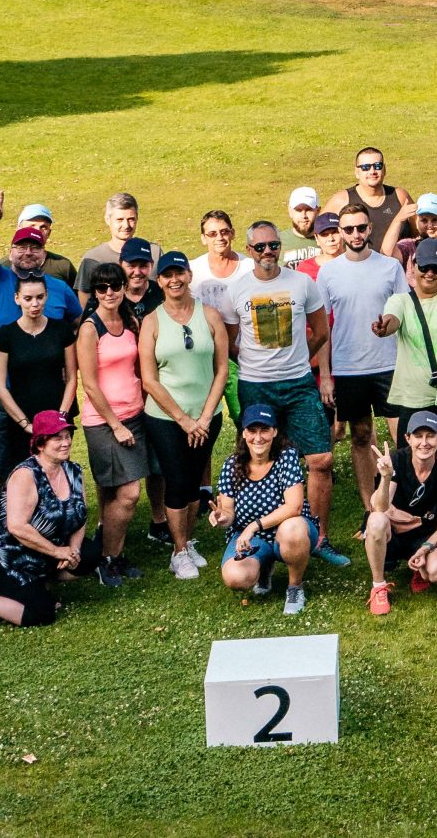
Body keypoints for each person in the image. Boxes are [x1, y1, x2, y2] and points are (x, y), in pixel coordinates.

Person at [0, 195, 84, 526]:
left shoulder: (59, 289)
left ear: (44, 253)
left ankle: (42, 529)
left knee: (44, 465)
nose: (28, 252)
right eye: (21, 246)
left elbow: (75, 324)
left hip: (42, 389)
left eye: (35, 247)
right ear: (12, 250)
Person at [218, 224, 337, 539]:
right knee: (260, 457)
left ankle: (318, 537)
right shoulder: (237, 290)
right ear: (249, 250)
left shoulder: (302, 283)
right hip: (256, 386)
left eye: (273, 245)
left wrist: (300, 358)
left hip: (298, 383)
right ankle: (261, 531)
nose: (268, 251)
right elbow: (229, 342)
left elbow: (321, 331)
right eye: (260, 247)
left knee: (321, 459)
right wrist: (252, 363)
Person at [317, 203, 407, 565]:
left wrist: (389, 326)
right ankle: (370, 509)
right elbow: (322, 327)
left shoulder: (390, 267)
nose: (355, 234)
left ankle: (400, 504)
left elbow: (403, 313)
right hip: (350, 367)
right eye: (348, 229)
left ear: (370, 228)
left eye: (360, 228)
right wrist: (326, 374)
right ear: (340, 232)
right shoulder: (329, 273)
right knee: (360, 436)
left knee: (401, 440)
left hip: (389, 364)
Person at [0, 411, 87, 630]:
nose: (66, 443)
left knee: (90, 554)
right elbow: (16, 527)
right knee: (42, 613)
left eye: (67, 436)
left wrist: (74, 551)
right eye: (58, 438)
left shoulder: (74, 471)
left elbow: (80, 514)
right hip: (8, 554)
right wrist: (57, 551)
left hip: (42, 550)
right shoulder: (25, 475)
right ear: (40, 444)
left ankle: (39, 587)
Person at [142, 251, 227, 577]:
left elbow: (221, 369)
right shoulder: (152, 322)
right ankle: (178, 552)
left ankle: (187, 541)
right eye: (167, 275)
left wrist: (203, 418)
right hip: (167, 418)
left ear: (189, 276)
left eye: (180, 273)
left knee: (193, 483)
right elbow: (149, 379)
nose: (174, 280)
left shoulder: (210, 316)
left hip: (206, 417)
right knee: (177, 481)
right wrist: (184, 420)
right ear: (159, 281)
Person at [75, 267, 149, 587]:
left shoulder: (130, 321)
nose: (109, 292)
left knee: (113, 492)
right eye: (102, 287)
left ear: (123, 287)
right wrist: (115, 425)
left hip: (135, 414)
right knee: (130, 493)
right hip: (104, 421)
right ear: (94, 292)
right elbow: (90, 384)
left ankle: (111, 555)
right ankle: (107, 557)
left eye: (115, 285)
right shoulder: (90, 329)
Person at [211, 404, 318, 615]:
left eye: (264, 430)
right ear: (244, 433)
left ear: (274, 432)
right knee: (236, 578)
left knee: (292, 528)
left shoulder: (286, 457)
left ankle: (295, 587)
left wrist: (253, 526)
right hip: (252, 539)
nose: (258, 438)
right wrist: (222, 517)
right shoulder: (232, 464)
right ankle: (264, 567)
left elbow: (294, 506)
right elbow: (229, 513)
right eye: (252, 431)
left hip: (287, 531)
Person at [378, 236, 437, 461]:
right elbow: (393, 320)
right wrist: (384, 327)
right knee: (409, 463)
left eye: (436, 269)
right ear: (413, 265)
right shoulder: (400, 300)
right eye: (425, 267)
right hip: (414, 397)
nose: (430, 273)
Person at [363, 410, 437, 613]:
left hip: (424, 534)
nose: (424, 442)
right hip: (392, 533)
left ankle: (419, 566)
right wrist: (386, 477)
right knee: (376, 520)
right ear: (408, 438)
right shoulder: (397, 460)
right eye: (418, 436)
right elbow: (379, 507)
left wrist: (425, 548)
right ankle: (379, 586)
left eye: (430, 436)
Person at [327, 146, 416, 257]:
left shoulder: (400, 196)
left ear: (384, 169)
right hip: (357, 266)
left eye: (377, 166)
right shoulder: (342, 200)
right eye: (366, 167)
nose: (372, 171)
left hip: (398, 265)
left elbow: (419, 231)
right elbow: (321, 234)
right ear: (357, 172)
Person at [77, 192, 148, 283]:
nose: (126, 225)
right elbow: (84, 291)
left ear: (137, 219)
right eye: (120, 220)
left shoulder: (152, 252)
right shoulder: (93, 258)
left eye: (131, 219)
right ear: (107, 220)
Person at [190, 208, 245, 304]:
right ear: (203, 238)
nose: (219, 237)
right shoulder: (192, 271)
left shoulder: (250, 268)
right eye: (212, 234)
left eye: (224, 232)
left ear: (232, 233)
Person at [281, 187, 327, 274]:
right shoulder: (276, 242)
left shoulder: (330, 240)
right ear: (290, 211)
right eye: (298, 210)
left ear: (318, 211)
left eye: (309, 210)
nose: (304, 215)